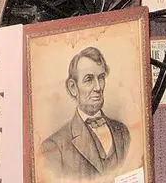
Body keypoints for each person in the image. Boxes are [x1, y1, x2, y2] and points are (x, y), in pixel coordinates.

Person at [41, 47, 131, 181]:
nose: (98, 87)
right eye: (89, 79)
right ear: (72, 87)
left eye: (101, 78)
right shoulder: (54, 146)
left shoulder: (122, 132)